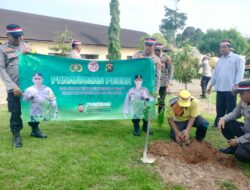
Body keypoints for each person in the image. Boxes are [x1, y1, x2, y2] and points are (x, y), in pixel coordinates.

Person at [0, 24, 32, 148]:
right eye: (15, 37)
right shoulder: (2, 49)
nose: (19, 39)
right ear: (7, 35)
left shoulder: (27, 46)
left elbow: (38, 63)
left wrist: (31, 55)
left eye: (20, 36)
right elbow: (1, 69)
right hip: (14, 87)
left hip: (29, 86)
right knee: (15, 111)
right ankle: (16, 134)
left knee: (33, 109)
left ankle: (35, 130)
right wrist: (12, 86)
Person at [207, 39, 245, 127]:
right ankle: (218, 123)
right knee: (219, 108)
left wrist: (237, 85)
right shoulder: (219, 60)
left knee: (231, 109)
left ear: (230, 48)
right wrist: (210, 86)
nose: (222, 49)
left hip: (230, 89)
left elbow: (240, 73)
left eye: (224, 47)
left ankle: (230, 125)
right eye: (221, 47)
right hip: (220, 89)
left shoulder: (238, 58)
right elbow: (215, 74)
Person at [132, 37, 161, 135]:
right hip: (137, 87)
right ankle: (136, 127)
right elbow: (130, 69)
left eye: (151, 45)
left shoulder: (157, 60)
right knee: (137, 107)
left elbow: (158, 76)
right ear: (144, 45)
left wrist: (156, 90)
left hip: (149, 89)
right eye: (147, 45)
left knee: (148, 108)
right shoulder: (137, 55)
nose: (148, 47)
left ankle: (145, 126)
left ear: (154, 46)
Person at [218, 80, 250, 162]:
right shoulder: (243, 102)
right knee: (226, 124)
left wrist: (238, 140)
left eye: (242, 93)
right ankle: (234, 147)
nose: (240, 96)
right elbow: (235, 113)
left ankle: (239, 147)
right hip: (246, 132)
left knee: (240, 154)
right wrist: (223, 119)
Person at [23, 72, 58, 138]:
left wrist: (55, 109)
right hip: (34, 110)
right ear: (32, 80)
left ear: (42, 79)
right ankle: (35, 131)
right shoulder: (29, 89)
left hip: (45, 110)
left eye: (39, 78)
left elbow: (53, 99)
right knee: (33, 120)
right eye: (35, 78)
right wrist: (30, 96)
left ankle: (34, 132)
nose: (37, 80)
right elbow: (24, 100)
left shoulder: (48, 89)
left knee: (45, 117)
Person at [154, 42, 172, 114]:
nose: (157, 51)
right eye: (156, 50)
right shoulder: (151, 57)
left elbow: (170, 70)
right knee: (150, 99)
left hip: (163, 83)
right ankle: (148, 116)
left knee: (161, 100)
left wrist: (168, 82)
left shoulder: (167, 58)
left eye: (159, 50)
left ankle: (160, 116)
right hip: (153, 82)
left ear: (162, 50)